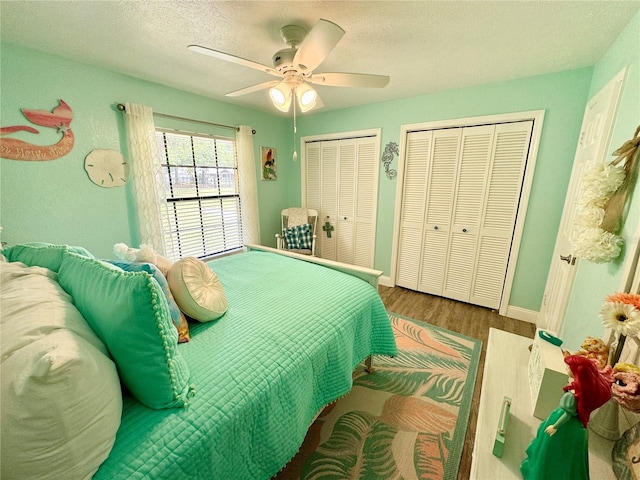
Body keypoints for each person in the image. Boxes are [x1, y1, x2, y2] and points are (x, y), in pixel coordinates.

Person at [520, 355, 613, 479]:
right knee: (566, 456)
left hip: (562, 424)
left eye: (569, 367)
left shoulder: (573, 395)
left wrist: (555, 426)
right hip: (575, 427)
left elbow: (567, 414)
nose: (567, 368)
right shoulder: (581, 391)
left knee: (551, 451)